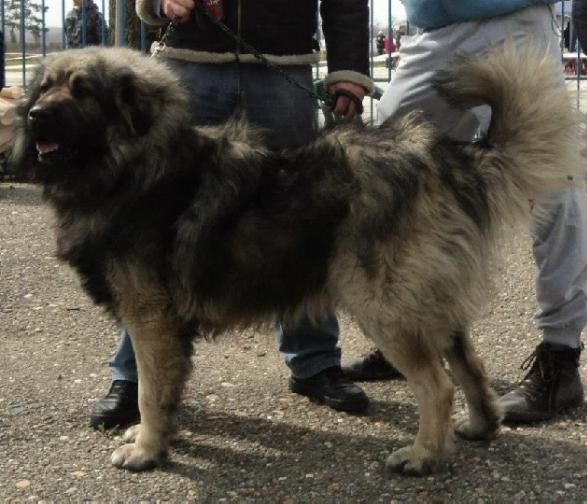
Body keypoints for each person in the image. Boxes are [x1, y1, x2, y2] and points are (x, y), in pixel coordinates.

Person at [89, 0, 374, 429]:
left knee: (301, 226)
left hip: (283, 67)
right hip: (188, 72)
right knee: (148, 237)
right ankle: (133, 377)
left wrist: (349, 72)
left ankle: (315, 363)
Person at [344, 0, 587, 424]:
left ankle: (561, 356)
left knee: (552, 186)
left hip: (513, 18)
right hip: (432, 30)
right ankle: (410, 336)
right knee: (390, 168)